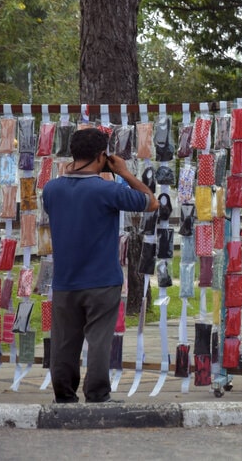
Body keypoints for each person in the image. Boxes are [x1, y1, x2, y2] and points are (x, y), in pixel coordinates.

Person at [42, 128, 158, 403]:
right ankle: (97, 394)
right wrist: (125, 173)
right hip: (102, 280)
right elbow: (151, 203)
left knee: (64, 343)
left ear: (73, 153)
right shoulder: (109, 190)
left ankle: (64, 395)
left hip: (65, 281)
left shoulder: (51, 189)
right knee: (98, 341)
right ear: (102, 156)